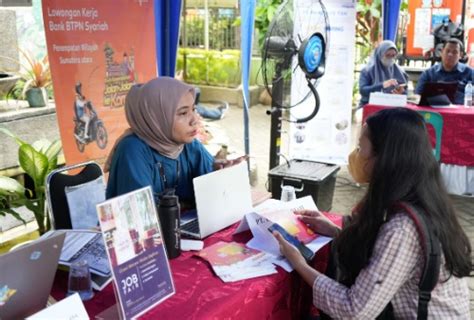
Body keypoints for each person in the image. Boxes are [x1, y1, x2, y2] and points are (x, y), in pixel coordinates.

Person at [272, 108, 471, 318]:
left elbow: (354, 311)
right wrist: (335, 231)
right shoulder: (423, 198)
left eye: (360, 148)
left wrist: (299, 264)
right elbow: (385, 257)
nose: (354, 156)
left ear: (385, 158)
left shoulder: (403, 229)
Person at [105, 77, 243, 205]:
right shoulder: (132, 150)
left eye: (193, 109)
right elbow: (142, 216)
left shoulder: (189, 145)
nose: (194, 119)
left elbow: (211, 193)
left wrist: (222, 175)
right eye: (183, 113)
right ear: (156, 118)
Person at [415, 38, 474, 105]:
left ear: (460, 55)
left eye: (455, 52)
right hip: (435, 112)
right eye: (447, 51)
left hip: (462, 112)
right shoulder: (428, 74)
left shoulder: (470, 73)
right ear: (442, 52)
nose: (450, 55)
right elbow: (417, 95)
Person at [358, 40, 408, 108]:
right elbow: (363, 91)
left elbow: (406, 94)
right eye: (387, 55)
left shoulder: (400, 71)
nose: (390, 58)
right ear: (380, 54)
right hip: (369, 105)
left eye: (393, 55)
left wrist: (401, 93)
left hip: (392, 107)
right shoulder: (367, 70)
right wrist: (382, 85)